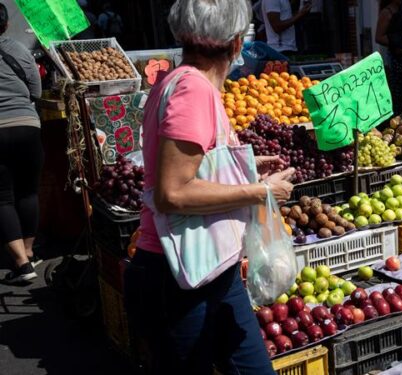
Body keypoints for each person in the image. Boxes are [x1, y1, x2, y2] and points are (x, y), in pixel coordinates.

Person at [123, 0, 294, 373]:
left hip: (214, 269)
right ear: (236, 44)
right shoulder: (194, 90)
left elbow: (190, 167)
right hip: (178, 276)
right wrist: (260, 192)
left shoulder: (175, 79)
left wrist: (243, 170)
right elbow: (173, 193)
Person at [0, 3, 43, 284]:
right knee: (28, 192)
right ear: (4, 25)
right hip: (28, 125)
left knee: (2, 198)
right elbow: (35, 90)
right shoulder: (16, 48)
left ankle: (21, 264)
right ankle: (29, 252)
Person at [376, 0, 402, 114]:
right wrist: (397, 43)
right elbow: (379, 37)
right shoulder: (386, 12)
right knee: (397, 94)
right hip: (395, 58)